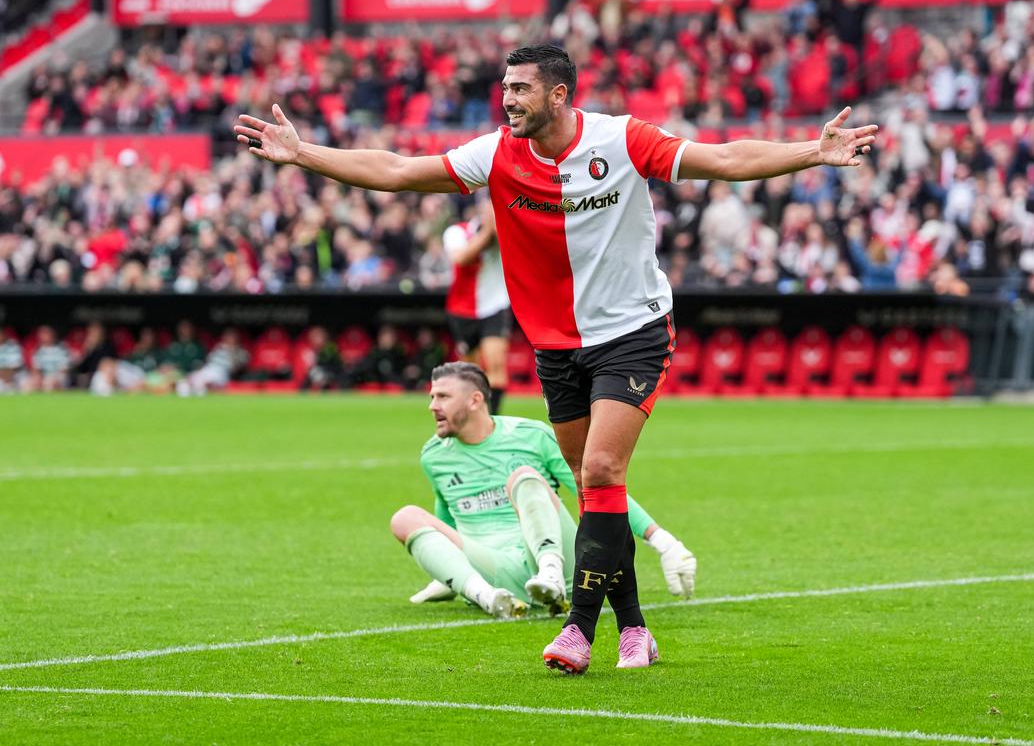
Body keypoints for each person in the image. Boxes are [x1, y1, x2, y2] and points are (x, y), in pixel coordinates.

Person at [235, 43, 876, 673]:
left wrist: (812, 153)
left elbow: (726, 157)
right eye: (505, 87)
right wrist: (303, 154)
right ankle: (634, 629)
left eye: (520, 88)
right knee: (597, 490)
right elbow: (399, 171)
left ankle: (578, 628)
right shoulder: (496, 153)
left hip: (632, 330)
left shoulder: (623, 140)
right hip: (556, 345)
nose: (507, 99)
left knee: (598, 468)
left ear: (558, 95)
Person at [391, 362, 697, 621]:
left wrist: (663, 542)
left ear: (474, 401)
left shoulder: (531, 437)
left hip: (550, 557)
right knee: (405, 517)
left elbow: (602, 489)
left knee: (523, 476)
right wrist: (445, 572)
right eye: (432, 396)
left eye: (442, 396)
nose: (432, 405)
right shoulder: (434, 454)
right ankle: (486, 598)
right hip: (493, 569)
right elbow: (447, 516)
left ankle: (551, 574)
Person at [443, 198, 513, 412]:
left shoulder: (505, 233)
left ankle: (494, 420)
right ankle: (474, 416)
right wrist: (488, 232)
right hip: (462, 310)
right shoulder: (456, 232)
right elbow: (462, 258)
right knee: (470, 370)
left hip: (495, 306)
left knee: (496, 365)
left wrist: (498, 229)